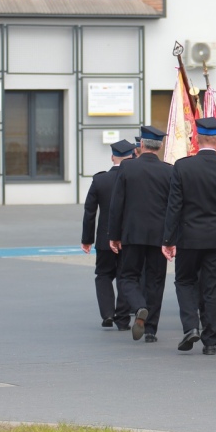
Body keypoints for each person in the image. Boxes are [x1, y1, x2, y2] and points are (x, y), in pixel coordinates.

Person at [161, 117, 216, 355]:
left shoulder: (183, 167)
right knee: (214, 287)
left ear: (196, 138)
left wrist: (168, 239)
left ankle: (190, 327)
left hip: (188, 237)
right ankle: (210, 341)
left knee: (185, 281)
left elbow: (173, 206)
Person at [109, 125, 175, 343]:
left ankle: (139, 307)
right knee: (156, 281)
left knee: (128, 276)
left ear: (142, 145)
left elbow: (117, 204)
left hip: (132, 233)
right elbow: (173, 206)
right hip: (159, 236)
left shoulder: (127, 168)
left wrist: (114, 234)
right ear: (160, 146)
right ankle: (150, 330)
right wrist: (171, 237)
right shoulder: (169, 170)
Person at [81, 138, 136, 329]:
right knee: (125, 275)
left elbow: (90, 211)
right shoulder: (136, 179)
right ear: (133, 155)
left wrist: (87, 239)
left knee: (103, 275)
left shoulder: (100, 179)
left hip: (105, 238)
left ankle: (107, 314)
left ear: (112, 156)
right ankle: (122, 319)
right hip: (129, 237)